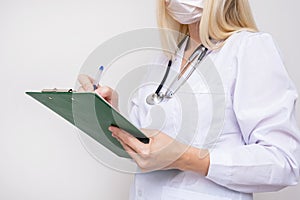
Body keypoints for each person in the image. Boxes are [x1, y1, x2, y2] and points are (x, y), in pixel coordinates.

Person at [78, 0, 300, 199]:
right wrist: (110, 112)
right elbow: (146, 147)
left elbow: (284, 161)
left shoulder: (248, 48)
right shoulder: (165, 58)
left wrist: (187, 158)